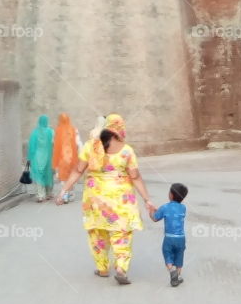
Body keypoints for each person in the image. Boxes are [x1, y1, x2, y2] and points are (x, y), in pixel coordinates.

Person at [54, 114, 155, 285]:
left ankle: (102, 268)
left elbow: (78, 171)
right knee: (121, 233)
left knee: (97, 233)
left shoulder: (90, 147)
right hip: (121, 200)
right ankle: (121, 267)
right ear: (120, 129)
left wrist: (63, 191)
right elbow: (135, 177)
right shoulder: (126, 151)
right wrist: (147, 199)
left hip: (95, 200)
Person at [152, 184, 188, 286]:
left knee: (167, 254)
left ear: (171, 195)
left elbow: (155, 218)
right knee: (179, 255)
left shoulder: (165, 207)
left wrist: (151, 211)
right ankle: (178, 276)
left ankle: (172, 270)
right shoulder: (183, 208)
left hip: (169, 238)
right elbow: (174, 214)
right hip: (181, 238)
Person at [27, 115, 55, 202]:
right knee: (49, 174)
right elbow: (54, 143)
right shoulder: (51, 132)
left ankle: (40, 195)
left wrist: (29, 158)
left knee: (39, 175)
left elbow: (31, 147)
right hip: (49, 156)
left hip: (37, 157)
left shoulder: (35, 133)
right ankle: (49, 193)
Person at [52, 114, 79, 202]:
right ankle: (70, 194)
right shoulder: (74, 129)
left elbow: (54, 144)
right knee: (71, 176)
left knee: (63, 179)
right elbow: (78, 143)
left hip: (61, 158)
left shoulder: (57, 130)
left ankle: (65, 196)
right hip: (72, 158)